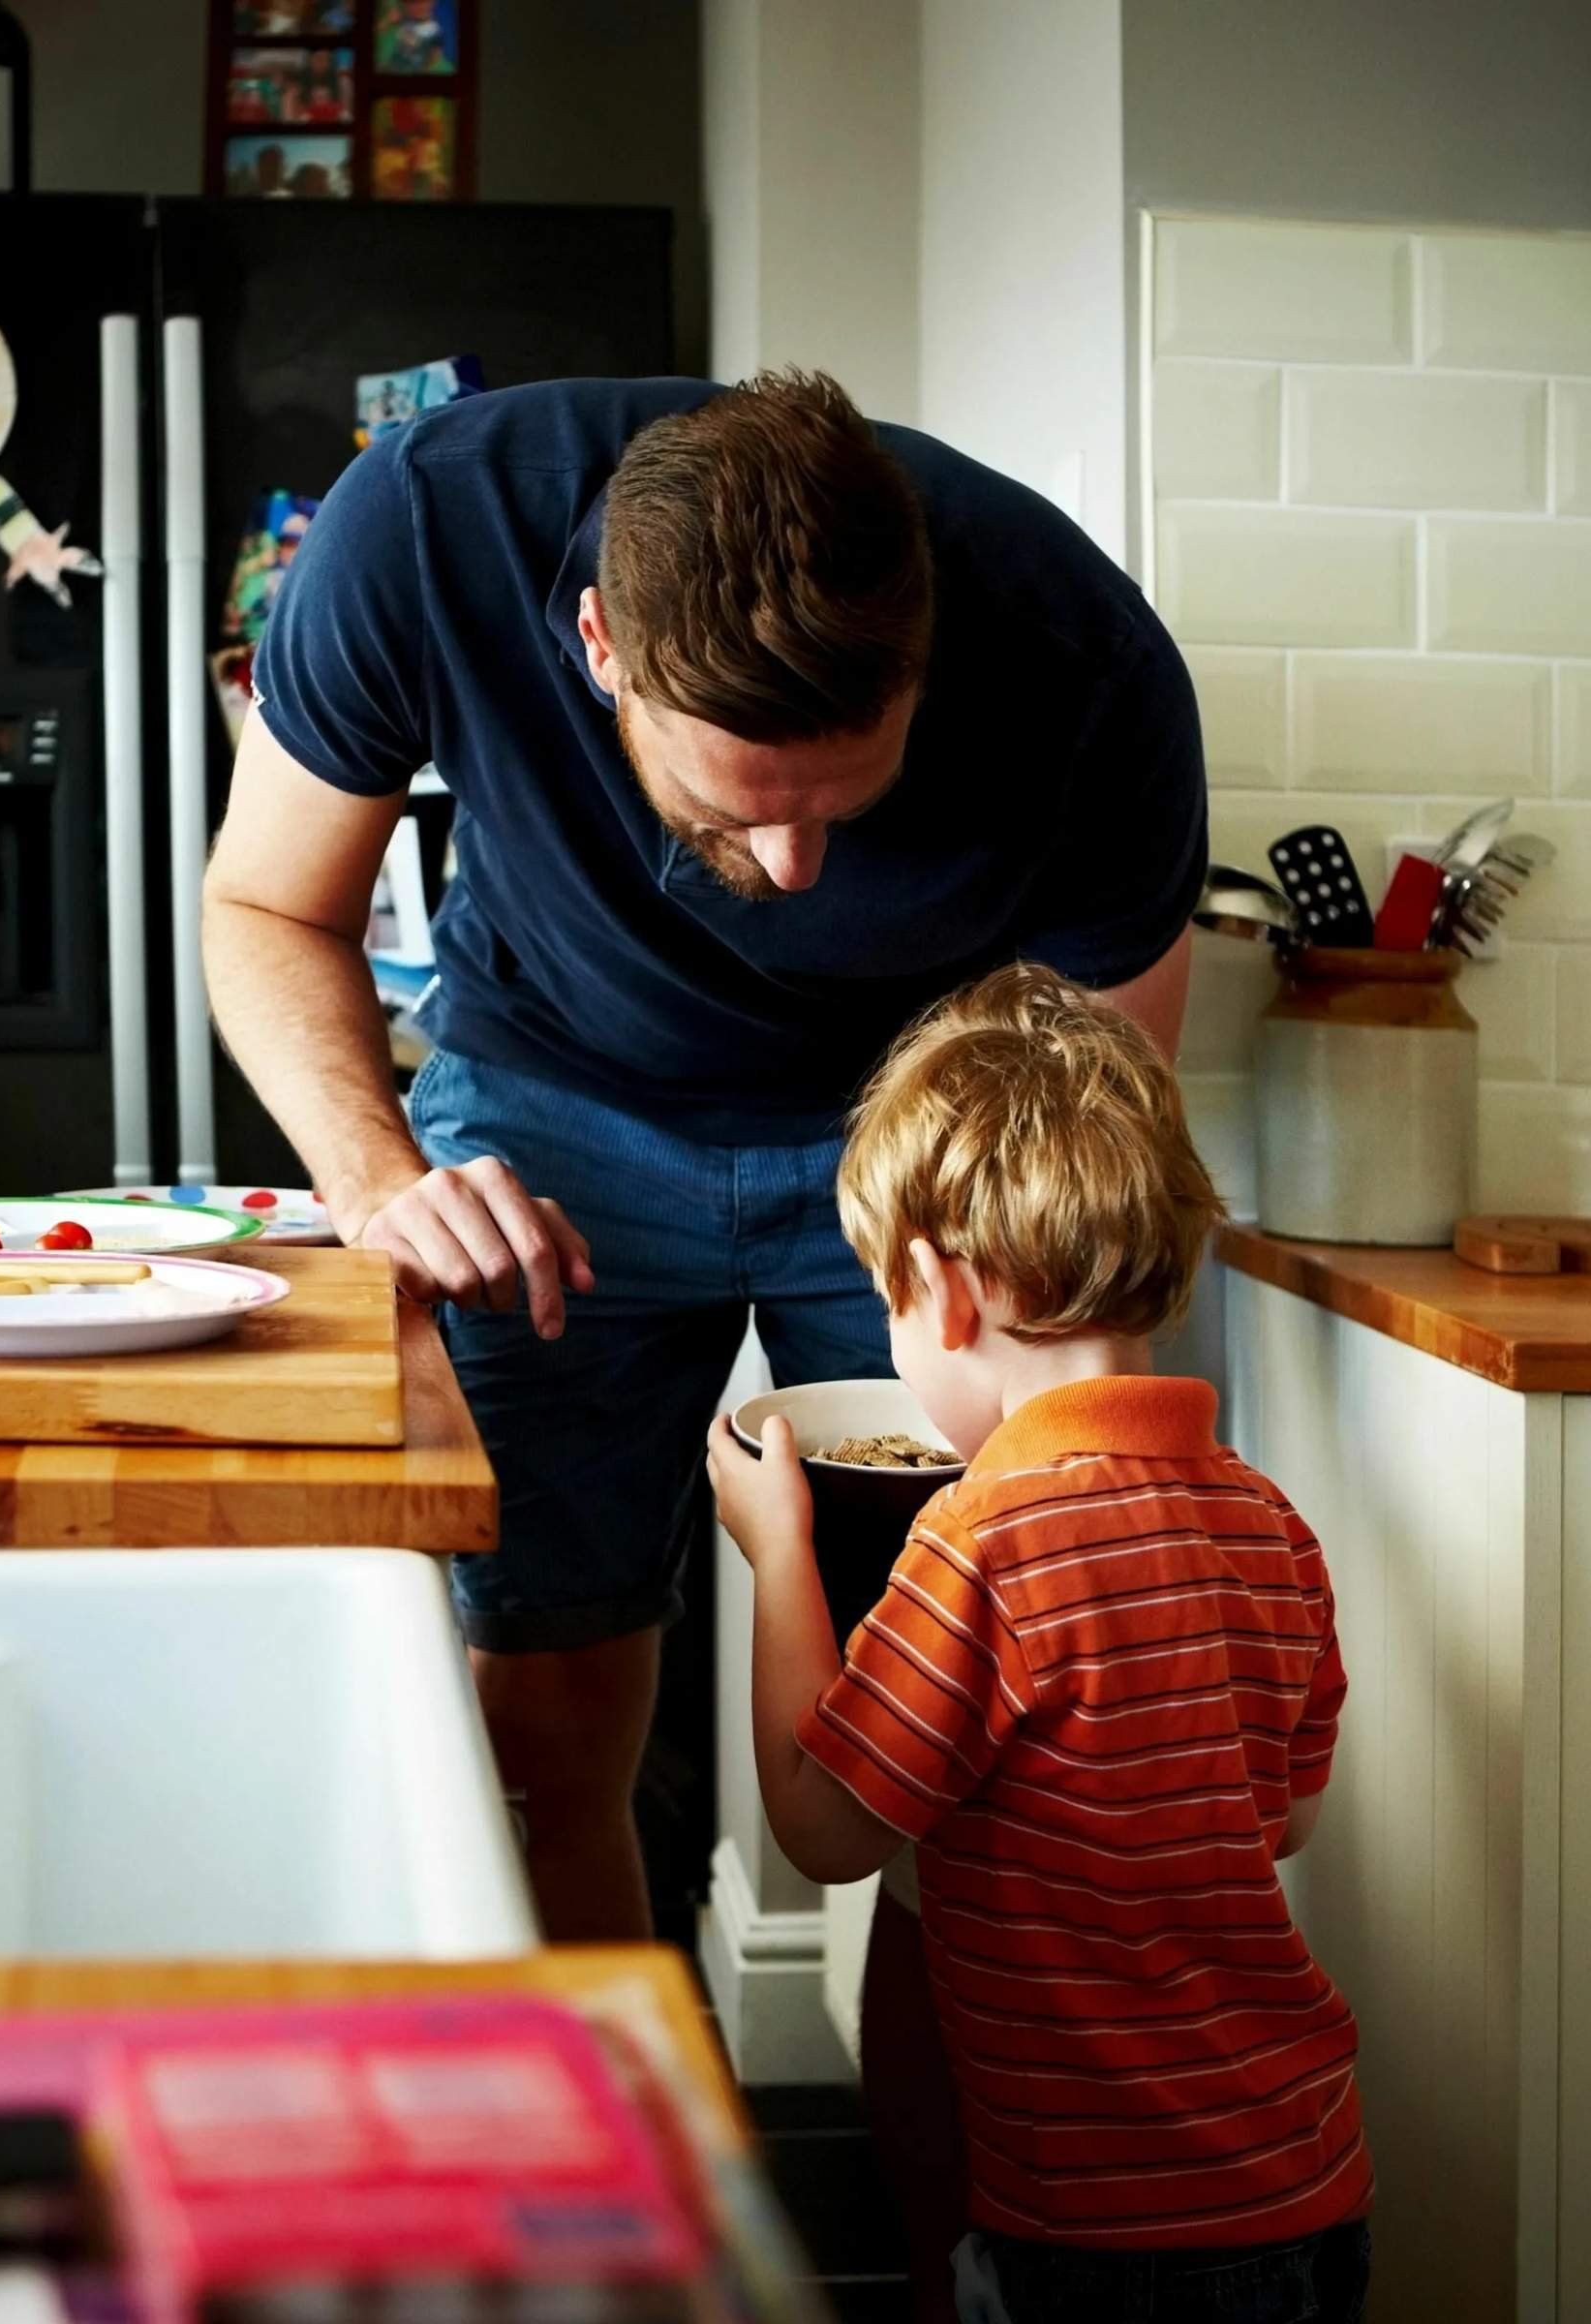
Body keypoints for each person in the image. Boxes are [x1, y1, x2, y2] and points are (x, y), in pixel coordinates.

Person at [201, 371, 1206, 1945]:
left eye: (840, 804)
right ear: (598, 648)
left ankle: (958, 2197)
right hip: (546, 1131)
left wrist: (1060, 1396)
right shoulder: (423, 524)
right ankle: (630, 2165)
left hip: (910, 1167)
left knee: (979, 1759)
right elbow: (267, 905)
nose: (794, 875)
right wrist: (383, 1183)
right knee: (539, 1721)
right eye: (735, 813)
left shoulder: (1082, 656)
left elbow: (1089, 1104)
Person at [706, 963, 1372, 2324]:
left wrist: (781, 1554)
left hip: (1098, 2228)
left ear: (940, 1295)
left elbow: (827, 1833)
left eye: (888, 1307)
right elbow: (1286, 1817)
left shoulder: (982, 1539)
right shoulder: (1272, 1524)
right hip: (1307, 2180)